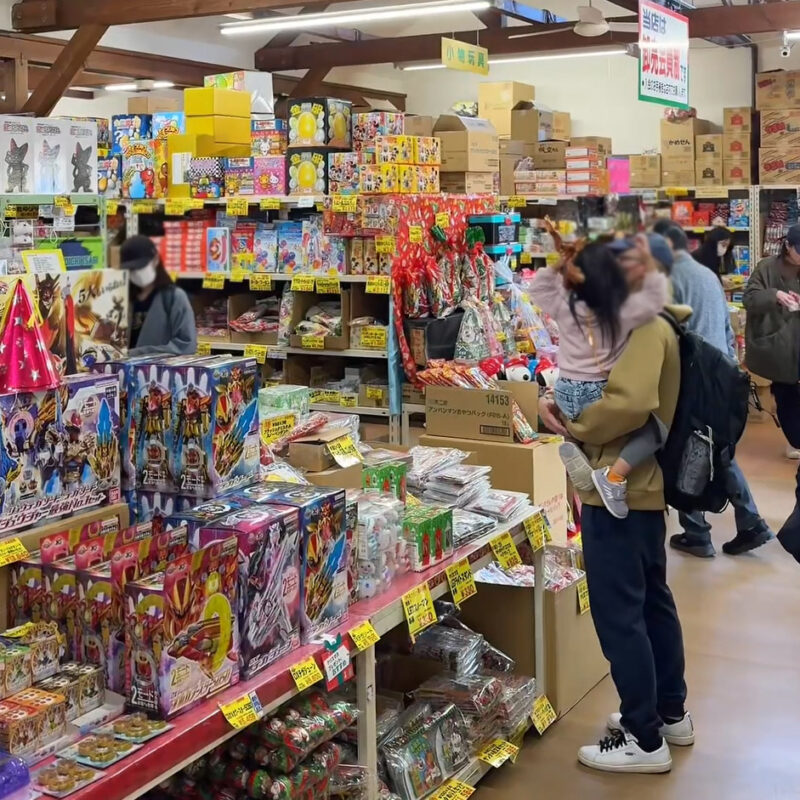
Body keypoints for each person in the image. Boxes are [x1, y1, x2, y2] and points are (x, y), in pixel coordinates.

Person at [539, 239, 691, 774]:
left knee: (619, 612)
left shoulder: (645, 327)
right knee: (651, 603)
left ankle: (644, 738)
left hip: (622, 490)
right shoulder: (646, 320)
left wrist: (576, 426)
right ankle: (668, 714)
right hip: (640, 488)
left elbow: (630, 403)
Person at [656, 221, 773, 557]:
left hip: (690, 379)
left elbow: (666, 336)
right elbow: (725, 326)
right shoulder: (708, 275)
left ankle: (697, 533)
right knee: (718, 449)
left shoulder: (668, 279)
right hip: (721, 374)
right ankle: (751, 521)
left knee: (684, 450)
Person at [530, 237, 668, 519]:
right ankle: (614, 477)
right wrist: (647, 263)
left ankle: (573, 443)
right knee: (656, 428)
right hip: (596, 390)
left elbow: (538, 287)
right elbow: (656, 298)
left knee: (575, 419)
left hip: (564, 390)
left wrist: (559, 263)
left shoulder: (566, 305)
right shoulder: (620, 311)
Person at [743, 223, 800, 563]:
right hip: (780, 353)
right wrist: (775, 296)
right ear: (788, 246)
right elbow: (749, 299)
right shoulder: (766, 268)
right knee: (788, 403)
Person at [121, 234, 197, 356]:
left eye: (141, 267)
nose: (137, 273)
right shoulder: (123, 297)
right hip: (122, 366)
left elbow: (186, 346)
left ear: (155, 260)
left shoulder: (174, 297)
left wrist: (137, 353)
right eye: (132, 270)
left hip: (159, 367)